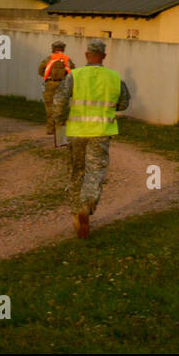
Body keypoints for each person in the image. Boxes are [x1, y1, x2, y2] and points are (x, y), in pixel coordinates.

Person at [52, 39, 130, 239]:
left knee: (77, 170)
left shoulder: (74, 76)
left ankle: (76, 213)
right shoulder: (114, 78)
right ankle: (87, 206)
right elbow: (123, 104)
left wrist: (60, 121)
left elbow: (59, 101)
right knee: (94, 172)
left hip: (76, 132)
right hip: (101, 132)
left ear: (87, 55)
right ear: (104, 56)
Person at [37, 40, 74, 137]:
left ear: (53, 49)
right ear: (63, 49)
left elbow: (40, 70)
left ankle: (50, 128)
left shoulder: (48, 59)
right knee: (62, 106)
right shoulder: (67, 60)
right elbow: (73, 72)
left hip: (50, 84)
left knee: (49, 106)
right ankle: (60, 130)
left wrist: (48, 77)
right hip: (63, 85)